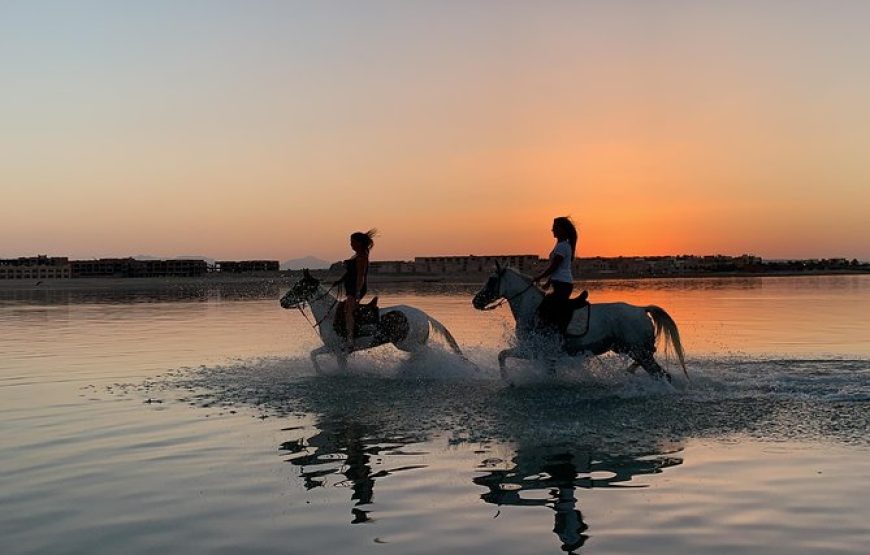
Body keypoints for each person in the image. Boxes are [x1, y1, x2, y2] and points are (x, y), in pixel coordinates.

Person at [532, 217, 578, 331]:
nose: (552, 229)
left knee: (543, 310)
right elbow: (557, 269)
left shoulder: (562, 246)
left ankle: (554, 335)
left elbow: (554, 266)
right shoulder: (561, 245)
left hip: (563, 285)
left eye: (555, 227)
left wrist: (539, 277)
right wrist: (548, 282)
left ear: (562, 230)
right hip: (560, 284)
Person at [340, 229, 376, 350]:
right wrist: (340, 281)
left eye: (352, 242)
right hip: (350, 286)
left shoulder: (362, 256)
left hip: (356, 287)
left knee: (349, 311)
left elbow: (360, 276)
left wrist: (357, 292)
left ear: (359, 243)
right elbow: (351, 272)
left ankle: (350, 340)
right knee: (345, 309)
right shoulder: (356, 255)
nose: (350, 244)